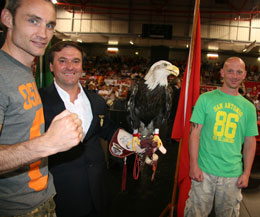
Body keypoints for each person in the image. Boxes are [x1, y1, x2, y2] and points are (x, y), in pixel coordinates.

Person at [0, 0, 83, 216]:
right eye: (33, 21)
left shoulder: (23, 70)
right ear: (8, 19)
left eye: (49, 25)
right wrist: (47, 143)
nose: (43, 33)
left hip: (43, 200)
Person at [39, 41, 119, 217]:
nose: (70, 67)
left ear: (82, 66)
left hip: (98, 192)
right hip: (61, 195)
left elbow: (109, 130)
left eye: (76, 61)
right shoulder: (38, 102)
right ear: (51, 66)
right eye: (62, 61)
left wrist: (138, 142)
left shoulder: (97, 101)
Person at [185, 57, 258, 217]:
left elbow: (250, 142)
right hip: (204, 171)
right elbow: (194, 134)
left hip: (232, 175)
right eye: (230, 71)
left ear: (245, 74)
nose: (234, 75)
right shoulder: (205, 99)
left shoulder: (248, 108)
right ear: (222, 73)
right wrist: (193, 165)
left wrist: (246, 173)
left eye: (239, 72)